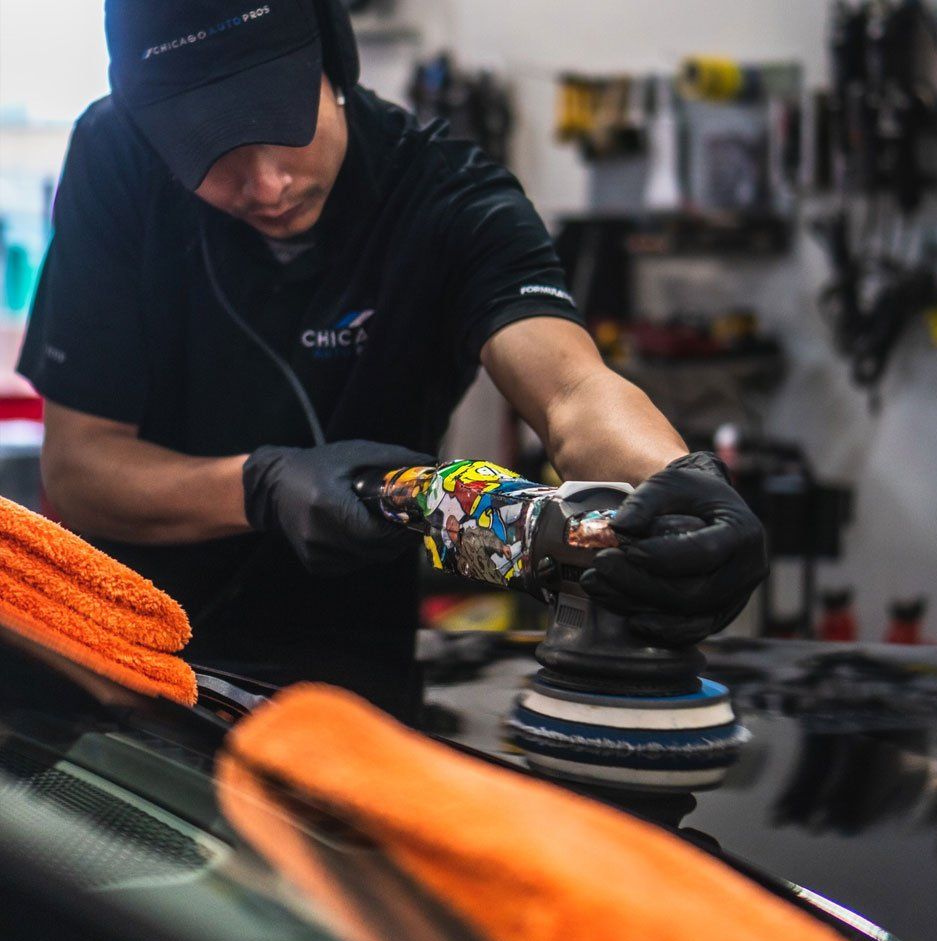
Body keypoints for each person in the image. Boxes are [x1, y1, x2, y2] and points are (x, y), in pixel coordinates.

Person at [17, 0, 767, 721]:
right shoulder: (116, 161)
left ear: (333, 60)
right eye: (214, 155)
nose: (267, 185)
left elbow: (572, 387)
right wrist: (259, 487)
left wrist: (672, 484)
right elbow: (80, 474)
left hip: (352, 675)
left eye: (282, 128)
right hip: (131, 661)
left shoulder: (448, 197)